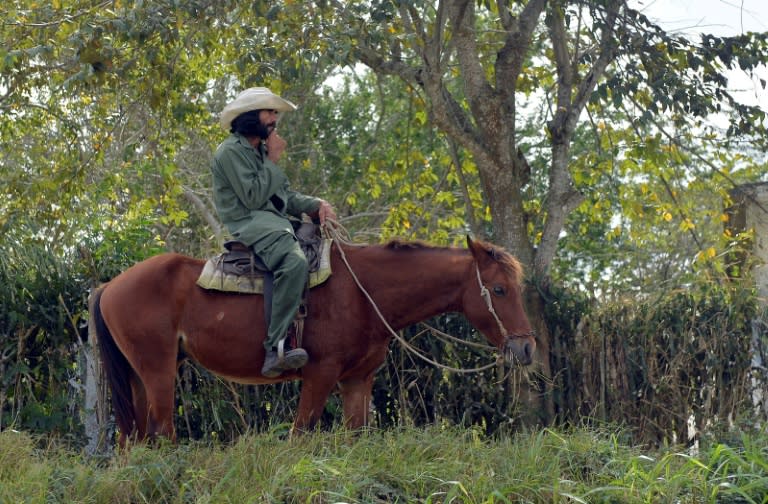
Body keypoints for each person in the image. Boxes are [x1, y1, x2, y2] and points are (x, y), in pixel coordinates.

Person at [212, 87, 337, 378]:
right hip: (249, 222)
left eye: (275, 112)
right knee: (294, 262)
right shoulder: (230, 151)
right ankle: (276, 348)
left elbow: (285, 197)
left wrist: (317, 204)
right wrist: (272, 161)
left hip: (273, 219)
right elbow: (254, 198)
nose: (274, 118)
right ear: (250, 117)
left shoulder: (258, 151)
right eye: (269, 112)